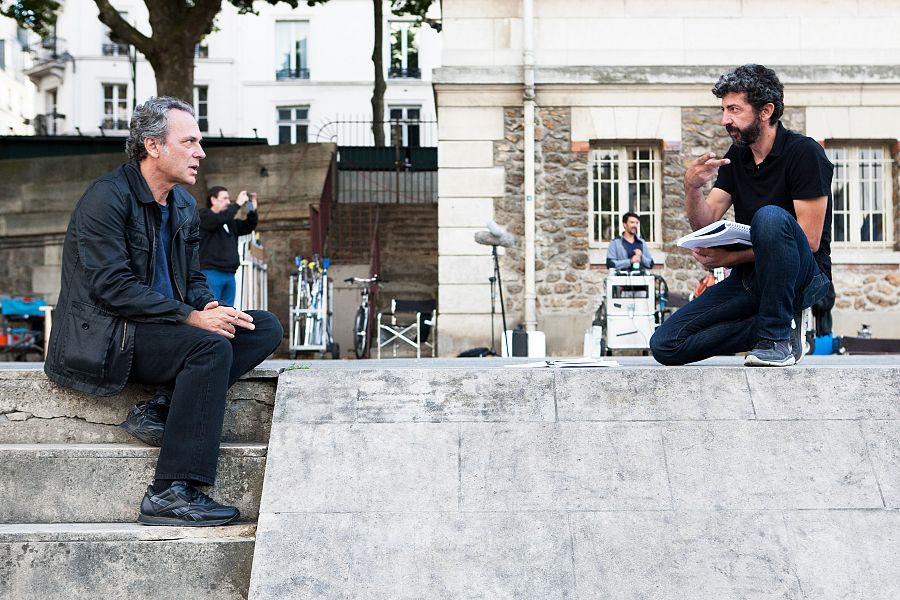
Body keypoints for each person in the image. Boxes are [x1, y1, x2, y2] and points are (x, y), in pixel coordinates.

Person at [44, 96, 283, 526]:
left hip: (163, 330)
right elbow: (112, 287)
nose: (200, 153)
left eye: (199, 142)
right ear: (153, 146)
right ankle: (170, 491)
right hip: (107, 337)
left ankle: (159, 408)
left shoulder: (184, 206)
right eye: (189, 142)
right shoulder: (106, 198)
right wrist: (193, 319)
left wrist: (209, 306)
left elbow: (192, 279)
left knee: (263, 326)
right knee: (209, 348)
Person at [650, 64, 832, 367]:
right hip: (751, 280)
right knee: (666, 344)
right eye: (724, 110)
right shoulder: (737, 156)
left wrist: (732, 257)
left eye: (734, 109)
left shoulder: (804, 153)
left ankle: (776, 340)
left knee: (769, 218)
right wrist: (692, 188)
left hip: (802, 276)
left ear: (766, 111)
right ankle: (777, 326)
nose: (725, 120)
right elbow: (705, 223)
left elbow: (810, 241)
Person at [199, 186, 259, 306]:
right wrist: (237, 204)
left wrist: (251, 208)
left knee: (228, 311)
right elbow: (217, 220)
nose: (228, 202)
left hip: (230, 274)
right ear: (213, 200)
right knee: (212, 309)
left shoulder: (229, 222)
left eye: (228, 199)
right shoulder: (204, 215)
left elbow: (248, 226)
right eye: (225, 198)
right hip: (211, 273)